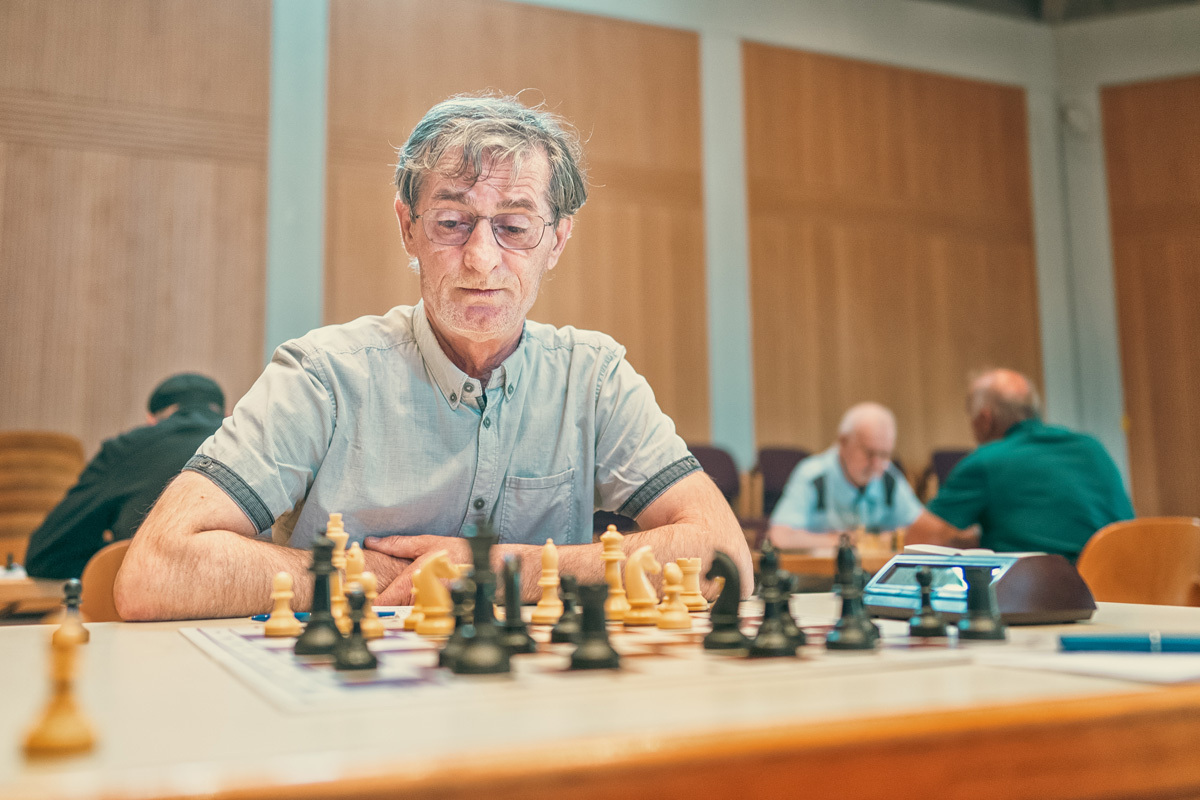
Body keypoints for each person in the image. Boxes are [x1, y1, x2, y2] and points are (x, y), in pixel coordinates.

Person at [115, 93, 752, 621]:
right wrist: (379, 573)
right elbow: (154, 571)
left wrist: (500, 568)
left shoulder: (594, 380)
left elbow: (727, 557)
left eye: (514, 226)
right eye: (451, 222)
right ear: (408, 227)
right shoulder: (322, 376)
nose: (482, 259)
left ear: (557, 240)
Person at [907, 368, 1135, 561]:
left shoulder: (986, 461)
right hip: (1128, 588)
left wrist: (969, 543)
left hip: (1048, 593)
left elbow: (919, 542)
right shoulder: (1092, 448)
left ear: (985, 420)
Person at [24, 374, 225, 579]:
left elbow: (47, 554)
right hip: (237, 593)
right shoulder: (237, 445)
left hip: (148, 590)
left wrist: (119, 555)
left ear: (151, 420)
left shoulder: (126, 449)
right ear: (226, 414)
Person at [766, 402, 933, 550]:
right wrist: (849, 541)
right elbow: (779, 537)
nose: (876, 464)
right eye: (869, 453)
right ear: (843, 442)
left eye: (884, 455)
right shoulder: (813, 476)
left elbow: (924, 530)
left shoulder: (889, 478)